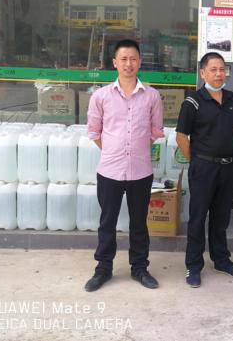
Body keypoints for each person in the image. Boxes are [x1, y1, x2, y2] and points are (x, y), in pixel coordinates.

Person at [84, 39, 164, 292]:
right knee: (107, 222)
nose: (128, 64)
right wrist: (114, 150)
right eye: (124, 59)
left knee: (139, 223)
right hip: (110, 170)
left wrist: (135, 150)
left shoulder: (152, 96)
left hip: (141, 171)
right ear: (115, 63)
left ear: (139, 62)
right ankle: (103, 269)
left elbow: (155, 131)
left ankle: (139, 268)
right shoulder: (101, 96)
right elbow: (94, 131)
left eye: (133, 59)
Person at [176, 52, 233, 288]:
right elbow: (181, 137)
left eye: (222, 69)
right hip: (203, 168)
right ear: (203, 73)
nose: (219, 74)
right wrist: (197, 161)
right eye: (213, 69)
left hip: (228, 168)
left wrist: (228, 153)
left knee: (221, 217)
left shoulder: (232, 98)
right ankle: (194, 265)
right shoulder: (193, 102)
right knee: (197, 218)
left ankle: (221, 260)